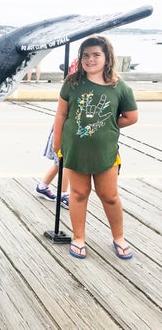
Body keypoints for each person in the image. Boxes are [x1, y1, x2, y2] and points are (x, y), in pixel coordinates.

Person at [53, 35, 138, 260]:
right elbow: (62, 114)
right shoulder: (71, 83)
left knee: (109, 195)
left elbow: (131, 117)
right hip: (76, 149)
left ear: (107, 57)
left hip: (105, 151)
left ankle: (118, 237)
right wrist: (57, 142)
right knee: (79, 193)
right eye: (86, 55)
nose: (90, 59)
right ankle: (78, 237)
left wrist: (107, 123)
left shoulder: (120, 87)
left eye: (96, 55)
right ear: (80, 58)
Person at [34, 58, 79, 207]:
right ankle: (64, 194)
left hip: (64, 128)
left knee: (59, 163)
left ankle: (42, 187)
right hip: (65, 130)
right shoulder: (73, 88)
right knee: (66, 163)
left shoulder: (73, 85)